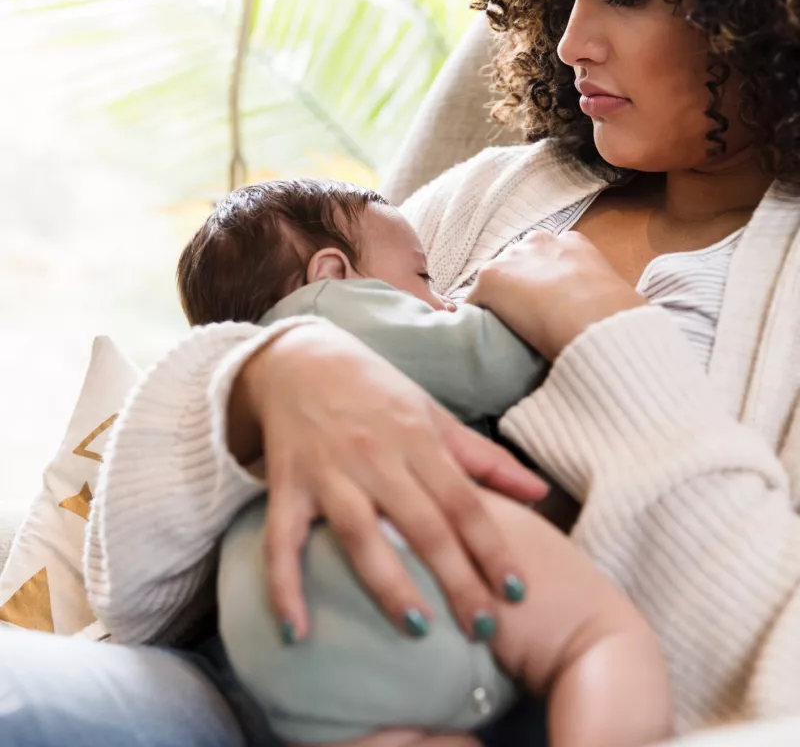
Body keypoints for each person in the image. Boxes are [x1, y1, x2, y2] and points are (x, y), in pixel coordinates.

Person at [3, 0, 800, 744]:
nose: (572, 41)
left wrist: (607, 339)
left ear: (764, 13)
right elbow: (131, 588)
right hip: (234, 684)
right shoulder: (499, 192)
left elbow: (773, 683)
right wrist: (265, 379)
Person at [174, 177, 672, 746]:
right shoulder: (328, 315)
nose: (445, 300)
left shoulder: (234, 376)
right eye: (423, 277)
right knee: (599, 636)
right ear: (332, 273)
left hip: (274, 623)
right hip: (394, 549)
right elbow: (490, 361)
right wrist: (530, 294)